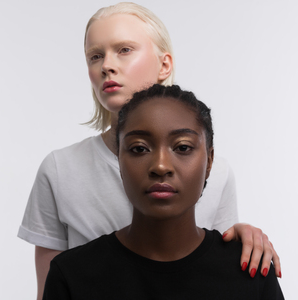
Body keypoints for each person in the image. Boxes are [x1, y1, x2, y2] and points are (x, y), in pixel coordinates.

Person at [18, 3, 281, 299]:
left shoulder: (217, 171)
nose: (107, 65)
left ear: (164, 64)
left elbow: (216, 261)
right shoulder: (60, 169)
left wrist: (248, 236)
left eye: (124, 50)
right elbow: (49, 289)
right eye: (95, 56)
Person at [43, 84, 284, 299]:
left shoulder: (249, 270)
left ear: (209, 161)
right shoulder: (72, 275)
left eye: (182, 147)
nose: (160, 166)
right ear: (119, 160)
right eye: (139, 149)